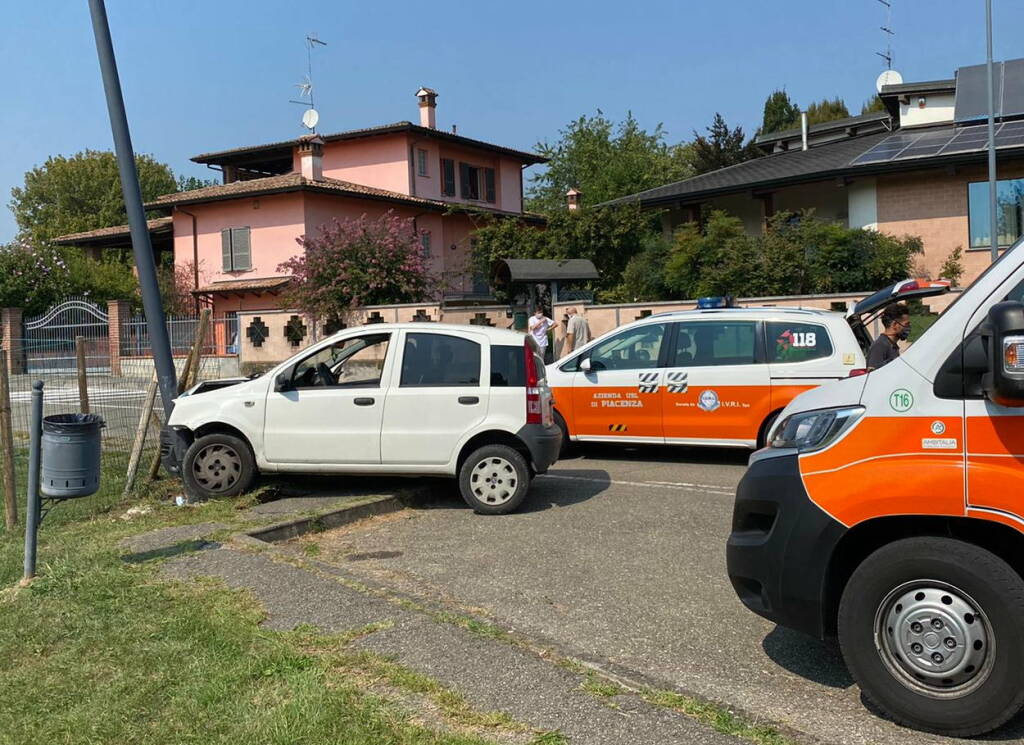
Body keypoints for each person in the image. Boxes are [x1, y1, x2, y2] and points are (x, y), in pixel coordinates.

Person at [867, 303, 911, 370]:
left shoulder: (891, 345)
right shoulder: (880, 346)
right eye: (906, 324)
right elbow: (874, 376)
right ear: (895, 325)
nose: (908, 327)